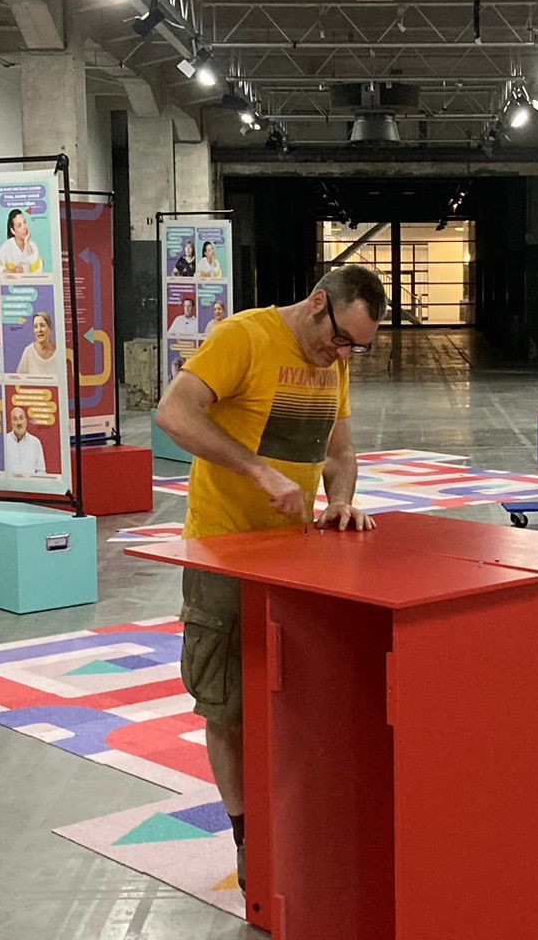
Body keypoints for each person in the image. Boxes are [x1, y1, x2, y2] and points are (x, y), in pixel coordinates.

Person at [153, 264, 386, 890]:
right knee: (226, 706)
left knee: (295, 703)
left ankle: (295, 825)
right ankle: (246, 837)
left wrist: (341, 499)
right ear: (317, 303)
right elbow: (173, 412)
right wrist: (257, 471)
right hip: (224, 551)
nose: (344, 356)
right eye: (342, 340)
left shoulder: (333, 361)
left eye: (358, 348)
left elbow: (339, 452)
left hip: (296, 558)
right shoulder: (244, 337)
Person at [16, 310, 62, 378]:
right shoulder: (28, 351)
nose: (39, 330)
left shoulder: (60, 352)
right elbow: (19, 379)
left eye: (42, 325)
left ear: (50, 328)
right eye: (35, 326)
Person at [3, 404, 46, 475]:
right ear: (11, 423)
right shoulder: (4, 441)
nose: (19, 423)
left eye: (21, 418)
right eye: (15, 419)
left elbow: (41, 471)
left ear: (25, 421)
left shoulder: (35, 442)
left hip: (31, 482)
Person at [0, 209, 42, 274]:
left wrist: (27, 243)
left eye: (24, 222)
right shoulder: (6, 247)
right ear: (13, 231)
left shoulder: (32, 246)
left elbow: (38, 272)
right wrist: (13, 271)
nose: (24, 227)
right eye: (19, 225)